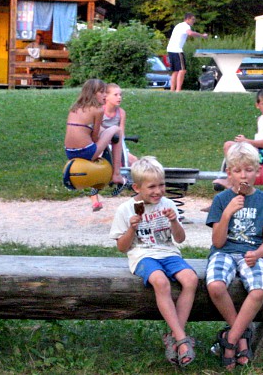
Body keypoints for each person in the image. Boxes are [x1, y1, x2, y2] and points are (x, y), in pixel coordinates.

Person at [109, 156, 198, 367]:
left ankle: (176, 336)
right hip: (142, 255)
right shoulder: (126, 209)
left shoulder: (167, 205)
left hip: (168, 253)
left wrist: (174, 220)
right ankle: (182, 340)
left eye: (161, 185)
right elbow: (122, 248)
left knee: (191, 279)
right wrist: (132, 227)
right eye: (151, 187)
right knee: (161, 282)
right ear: (137, 187)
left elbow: (180, 239)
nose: (158, 191)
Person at [205, 142, 263, 369]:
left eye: (249, 170)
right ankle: (241, 338)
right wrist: (228, 212)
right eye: (237, 171)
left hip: (252, 253)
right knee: (216, 286)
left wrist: (257, 253)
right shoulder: (221, 201)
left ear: (258, 172)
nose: (243, 176)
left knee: (259, 290)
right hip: (224, 252)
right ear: (229, 173)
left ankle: (229, 340)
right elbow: (218, 242)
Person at [64, 79, 125, 212]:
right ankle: (116, 174)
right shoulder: (98, 110)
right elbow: (95, 137)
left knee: (108, 131)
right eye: (101, 92)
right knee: (117, 130)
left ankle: (98, 192)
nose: (104, 95)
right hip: (87, 152)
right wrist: (107, 138)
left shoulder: (74, 108)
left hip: (69, 152)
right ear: (93, 93)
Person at [213, 88, 263, 190]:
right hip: (259, 150)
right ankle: (230, 177)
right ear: (257, 105)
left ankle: (230, 181)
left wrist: (246, 141)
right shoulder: (260, 119)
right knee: (228, 145)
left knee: (234, 147)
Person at [166, 13, 208, 92]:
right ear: (187, 19)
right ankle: (178, 90)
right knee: (182, 70)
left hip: (170, 49)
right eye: (193, 19)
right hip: (177, 50)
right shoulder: (185, 25)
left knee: (176, 71)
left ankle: (172, 90)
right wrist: (202, 35)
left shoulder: (179, 25)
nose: (194, 21)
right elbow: (190, 33)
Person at [102, 83, 137, 166]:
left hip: (116, 143)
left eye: (120, 95)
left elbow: (121, 132)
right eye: (115, 95)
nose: (119, 97)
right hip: (102, 144)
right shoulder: (100, 111)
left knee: (133, 160)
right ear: (106, 97)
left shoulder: (121, 112)